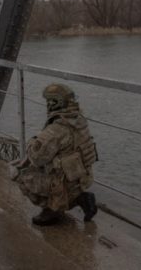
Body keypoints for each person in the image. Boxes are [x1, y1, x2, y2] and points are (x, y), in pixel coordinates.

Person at [11, 83, 98, 226]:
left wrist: (32, 142)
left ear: (54, 103)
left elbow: (37, 158)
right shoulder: (80, 119)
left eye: (48, 101)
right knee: (51, 167)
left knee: (19, 173)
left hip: (66, 184)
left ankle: (52, 209)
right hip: (83, 179)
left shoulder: (56, 129)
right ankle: (81, 198)